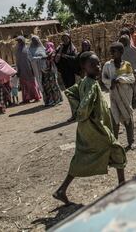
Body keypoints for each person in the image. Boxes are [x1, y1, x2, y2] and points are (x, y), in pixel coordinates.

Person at [53, 51, 127, 204]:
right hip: (96, 128)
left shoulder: (83, 82)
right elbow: (85, 105)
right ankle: (122, 185)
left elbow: (71, 92)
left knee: (81, 157)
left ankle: (61, 190)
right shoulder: (92, 85)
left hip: (85, 129)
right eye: (93, 65)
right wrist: (83, 114)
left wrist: (79, 115)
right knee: (117, 149)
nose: (98, 67)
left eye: (98, 63)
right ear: (83, 67)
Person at [102, 42, 136, 150]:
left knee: (128, 118)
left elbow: (132, 78)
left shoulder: (127, 65)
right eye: (110, 51)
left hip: (126, 95)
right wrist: (111, 83)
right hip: (114, 96)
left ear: (121, 52)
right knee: (115, 119)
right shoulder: (107, 65)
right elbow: (104, 79)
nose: (111, 53)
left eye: (114, 51)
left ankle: (131, 141)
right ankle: (115, 143)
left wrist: (120, 79)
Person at [119, 33, 136, 107]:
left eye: (123, 41)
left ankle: (135, 101)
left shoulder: (132, 49)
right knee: (128, 88)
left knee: (135, 87)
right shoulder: (121, 51)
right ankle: (131, 101)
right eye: (121, 42)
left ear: (127, 41)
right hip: (125, 73)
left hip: (133, 72)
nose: (122, 43)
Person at [15, 36, 42, 103]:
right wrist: (18, 70)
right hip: (21, 70)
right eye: (18, 41)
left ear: (23, 41)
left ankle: (36, 97)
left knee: (32, 84)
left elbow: (31, 60)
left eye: (20, 41)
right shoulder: (17, 51)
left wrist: (33, 69)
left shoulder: (28, 49)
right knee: (24, 85)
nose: (19, 42)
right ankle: (26, 99)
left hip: (29, 69)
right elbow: (17, 61)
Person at [43, 41, 63, 106]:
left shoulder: (49, 52)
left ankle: (56, 99)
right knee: (54, 85)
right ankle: (58, 99)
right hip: (51, 70)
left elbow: (48, 58)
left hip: (50, 70)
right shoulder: (51, 51)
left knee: (53, 85)